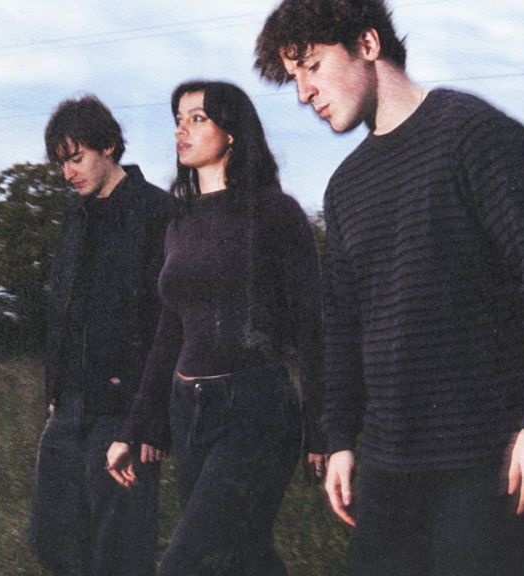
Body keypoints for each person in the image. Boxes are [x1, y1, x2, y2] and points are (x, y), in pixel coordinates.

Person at [253, 2, 524, 575]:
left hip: (490, 463)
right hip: (388, 473)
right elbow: (342, 330)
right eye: (294, 78)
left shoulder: (476, 135)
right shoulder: (345, 187)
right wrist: (340, 440)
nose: (304, 93)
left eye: (312, 66)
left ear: (368, 44)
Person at [105, 80, 326, 575]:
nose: (181, 129)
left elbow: (314, 327)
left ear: (232, 132)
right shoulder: (180, 222)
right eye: (178, 120)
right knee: (240, 558)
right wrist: (133, 430)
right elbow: (169, 333)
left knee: (186, 563)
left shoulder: (275, 212)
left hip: (254, 412)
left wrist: (323, 429)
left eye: (197, 118)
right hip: (189, 412)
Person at [30, 95, 173, 575]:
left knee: (119, 549)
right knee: (52, 539)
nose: (68, 173)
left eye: (76, 158)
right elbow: (62, 310)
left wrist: (151, 419)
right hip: (69, 405)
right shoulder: (76, 216)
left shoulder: (157, 211)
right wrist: (55, 392)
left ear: (108, 146)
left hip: (125, 412)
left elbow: (171, 321)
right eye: (61, 163)